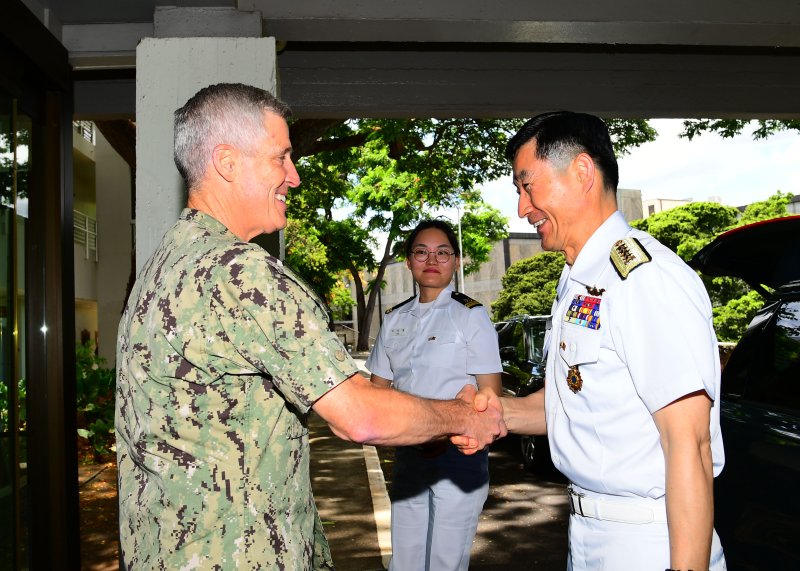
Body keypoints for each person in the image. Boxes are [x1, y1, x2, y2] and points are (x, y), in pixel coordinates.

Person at [114, 83, 506, 570]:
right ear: (227, 162)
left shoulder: (165, 263)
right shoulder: (241, 273)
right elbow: (359, 415)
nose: (293, 176)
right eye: (281, 157)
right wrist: (465, 417)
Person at [461, 111, 727, 570]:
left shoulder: (644, 279)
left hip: (650, 540)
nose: (522, 208)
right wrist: (488, 413)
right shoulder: (579, 280)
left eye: (528, 186)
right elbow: (570, 404)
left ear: (582, 172)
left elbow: (691, 443)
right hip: (588, 533)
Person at [366, 220, 502, 571]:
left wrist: (446, 431)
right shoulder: (394, 319)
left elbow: (490, 392)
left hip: (459, 457)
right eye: (422, 252)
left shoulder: (470, 316)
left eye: (443, 253)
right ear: (409, 262)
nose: (432, 259)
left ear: (456, 262)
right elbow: (378, 390)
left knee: (445, 562)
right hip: (409, 455)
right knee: (405, 561)